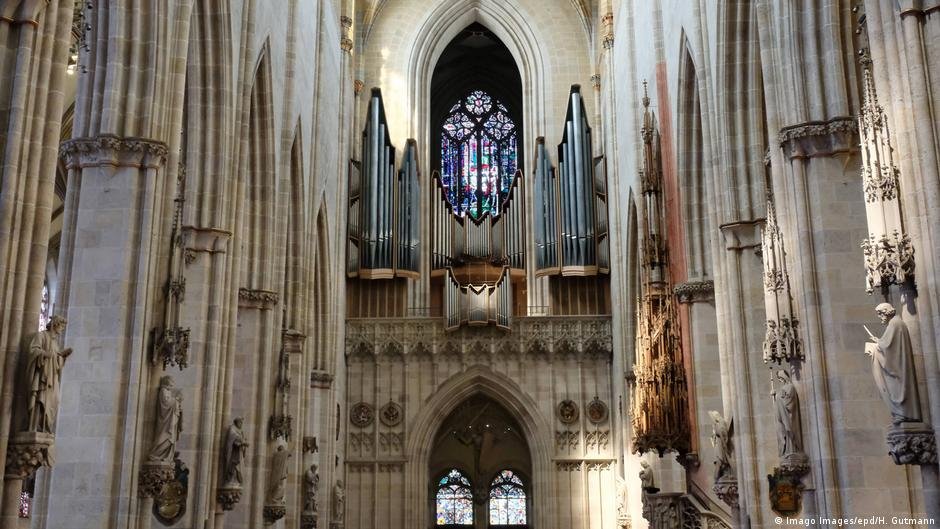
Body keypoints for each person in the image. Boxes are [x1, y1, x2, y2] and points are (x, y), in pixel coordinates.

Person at [865, 303, 922, 424]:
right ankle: (903, 413)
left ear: (887, 312)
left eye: (880, 314)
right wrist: (879, 342)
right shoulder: (896, 323)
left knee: (897, 389)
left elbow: (888, 348)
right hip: (898, 366)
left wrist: (876, 347)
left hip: (898, 369)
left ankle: (904, 413)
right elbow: (888, 344)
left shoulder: (895, 324)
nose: (880, 317)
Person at [26, 315, 72, 433]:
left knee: (54, 401)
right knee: (40, 400)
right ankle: (35, 426)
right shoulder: (41, 336)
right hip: (43, 377)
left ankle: (45, 427)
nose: (61, 330)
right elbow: (33, 350)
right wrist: (44, 354)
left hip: (52, 378)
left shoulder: (55, 343)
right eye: (61, 327)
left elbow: (57, 362)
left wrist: (62, 357)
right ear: (55, 325)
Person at [147, 376, 183, 462]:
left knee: (170, 439)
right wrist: (177, 400)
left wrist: (177, 403)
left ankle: (161, 455)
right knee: (166, 437)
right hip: (166, 422)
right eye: (170, 385)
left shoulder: (167, 392)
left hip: (170, 420)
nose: (171, 387)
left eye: (172, 385)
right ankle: (155, 454)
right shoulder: (163, 391)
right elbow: (166, 403)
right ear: (166, 383)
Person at [771, 370, 803, 458]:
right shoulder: (783, 388)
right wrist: (775, 397)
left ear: (784, 377)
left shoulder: (790, 387)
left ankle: (792, 450)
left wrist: (777, 396)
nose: (780, 380)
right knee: (782, 431)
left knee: (789, 431)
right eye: (779, 379)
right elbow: (779, 404)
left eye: (780, 378)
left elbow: (788, 403)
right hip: (783, 416)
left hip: (789, 417)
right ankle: (786, 450)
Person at [222, 417, 248, 486]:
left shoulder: (240, 431)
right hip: (233, 455)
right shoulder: (232, 429)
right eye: (240, 423)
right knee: (233, 468)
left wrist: (243, 443)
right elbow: (233, 438)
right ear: (237, 422)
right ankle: (230, 481)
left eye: (242, 423)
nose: (241, 424)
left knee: (239, 469)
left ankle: (237, 482)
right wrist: (242, 441)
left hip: (238, 454)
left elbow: (241, 441)